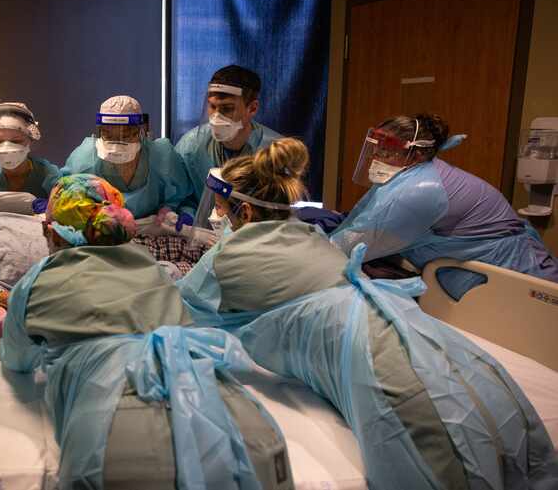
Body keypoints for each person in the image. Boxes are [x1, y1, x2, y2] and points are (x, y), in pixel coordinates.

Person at [178, 137, 558, 490]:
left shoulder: (226, 258)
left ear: (243, 211)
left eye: (221, 208)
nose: (216, 215)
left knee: (439, 456)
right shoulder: (308, 235)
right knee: (478, 406)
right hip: (405, 323)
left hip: (369, 354)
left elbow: (177, 307)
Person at [0, 173, 292, 490]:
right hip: (241, 424)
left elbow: (16, 360)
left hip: (119, 437)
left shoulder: (38, 281)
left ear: (50, 232)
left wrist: (13, 321)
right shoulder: (154, 269)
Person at [331, 113, 558, 300]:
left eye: (387, 152)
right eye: (376, 149)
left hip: (518, 284)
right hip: (496, 276)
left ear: (417, 153)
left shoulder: (419, 191)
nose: (377, 158)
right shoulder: (413, 174)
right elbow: (364, 221)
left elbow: (350, 246)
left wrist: (317, 240)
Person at [61, 95, 194, 224]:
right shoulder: (84, 161)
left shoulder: (163, 158)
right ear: (100, 132)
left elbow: (186, 198)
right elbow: (63, 196)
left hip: (153, 231)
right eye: (108, 135)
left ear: (141, 131)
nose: (117, 145)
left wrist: (172, 210)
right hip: (103, 235)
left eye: (126, 135)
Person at [175, 65, 280, 211]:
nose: (216, 117)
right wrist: (186, 215)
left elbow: (279, 212)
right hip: (202, 231)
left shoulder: (275, 154)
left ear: (252, 108)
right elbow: (179, 199)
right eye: (212, 106)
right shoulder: (190, 147)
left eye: (227, 108)